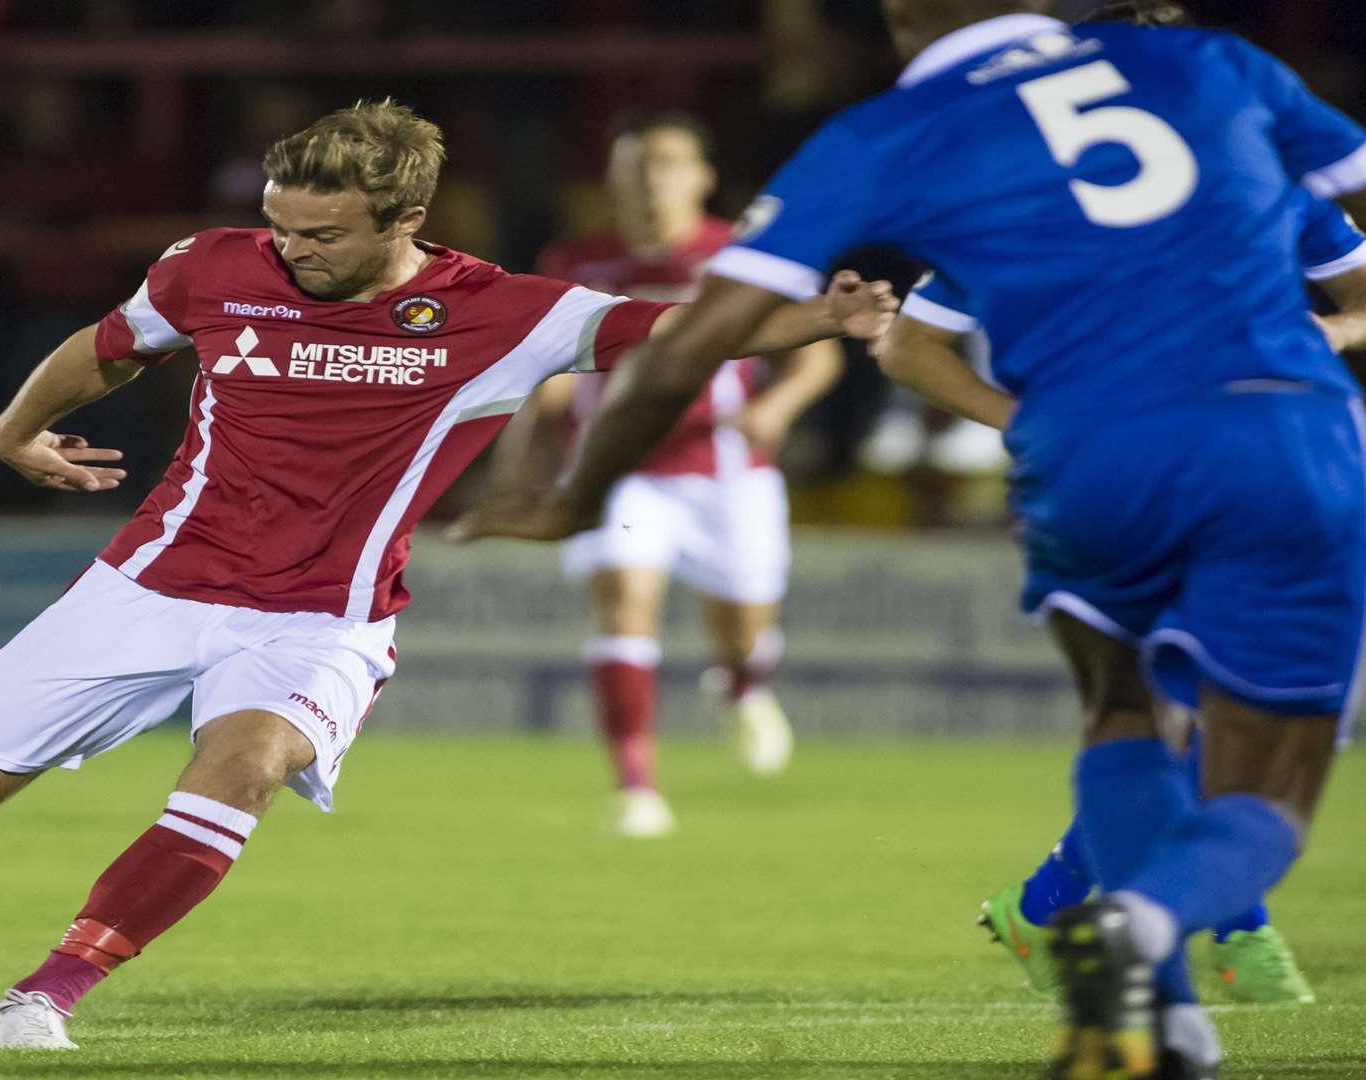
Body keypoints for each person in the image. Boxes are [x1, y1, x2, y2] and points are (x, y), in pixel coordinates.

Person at [0, 99, 896, 1050]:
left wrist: (825, 318)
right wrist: (17, 431)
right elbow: (110, 345)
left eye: (320, 234)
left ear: (406, 220)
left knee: (247, 760)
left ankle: (47, 990)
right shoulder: (214, 268)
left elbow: (684, 330)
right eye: (280, 226)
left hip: (324, 620)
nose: (291, 250)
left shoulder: (502, 314)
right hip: (153, 584)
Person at [452, 4, 1366, 1077]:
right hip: (1276, 430)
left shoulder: (895, 132)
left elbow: (688, 340)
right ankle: (1151, 924)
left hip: (1085, 452)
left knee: (1119, 707)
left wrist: (574, 496)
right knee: (1268, 776)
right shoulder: (1208, 63)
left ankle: (1154, 1017)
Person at [948, 188, 1366, 1007]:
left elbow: (1359, 295)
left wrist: (1334, 330)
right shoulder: (1040, 185)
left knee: (1236, 719)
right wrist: (1032, 424)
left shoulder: (1275, 185)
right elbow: (911, 344)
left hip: (1281, 460)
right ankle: (1222, 932)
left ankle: (1058, 905)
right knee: (1171, 709)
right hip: (1119, 477)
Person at [493, 112, 843, 837]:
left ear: (702, 176)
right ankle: (637, 788)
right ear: (613, 178)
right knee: (622, 599)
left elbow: (818, 355)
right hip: (616, 471)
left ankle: (744, 686)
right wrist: (530, 434)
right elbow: (548, 365)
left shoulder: (743, 254)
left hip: (727, 472)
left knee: (743, 629)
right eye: (635, 164)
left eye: (667, 161)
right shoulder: (576, 261)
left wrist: (775, 408)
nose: (651, 177)